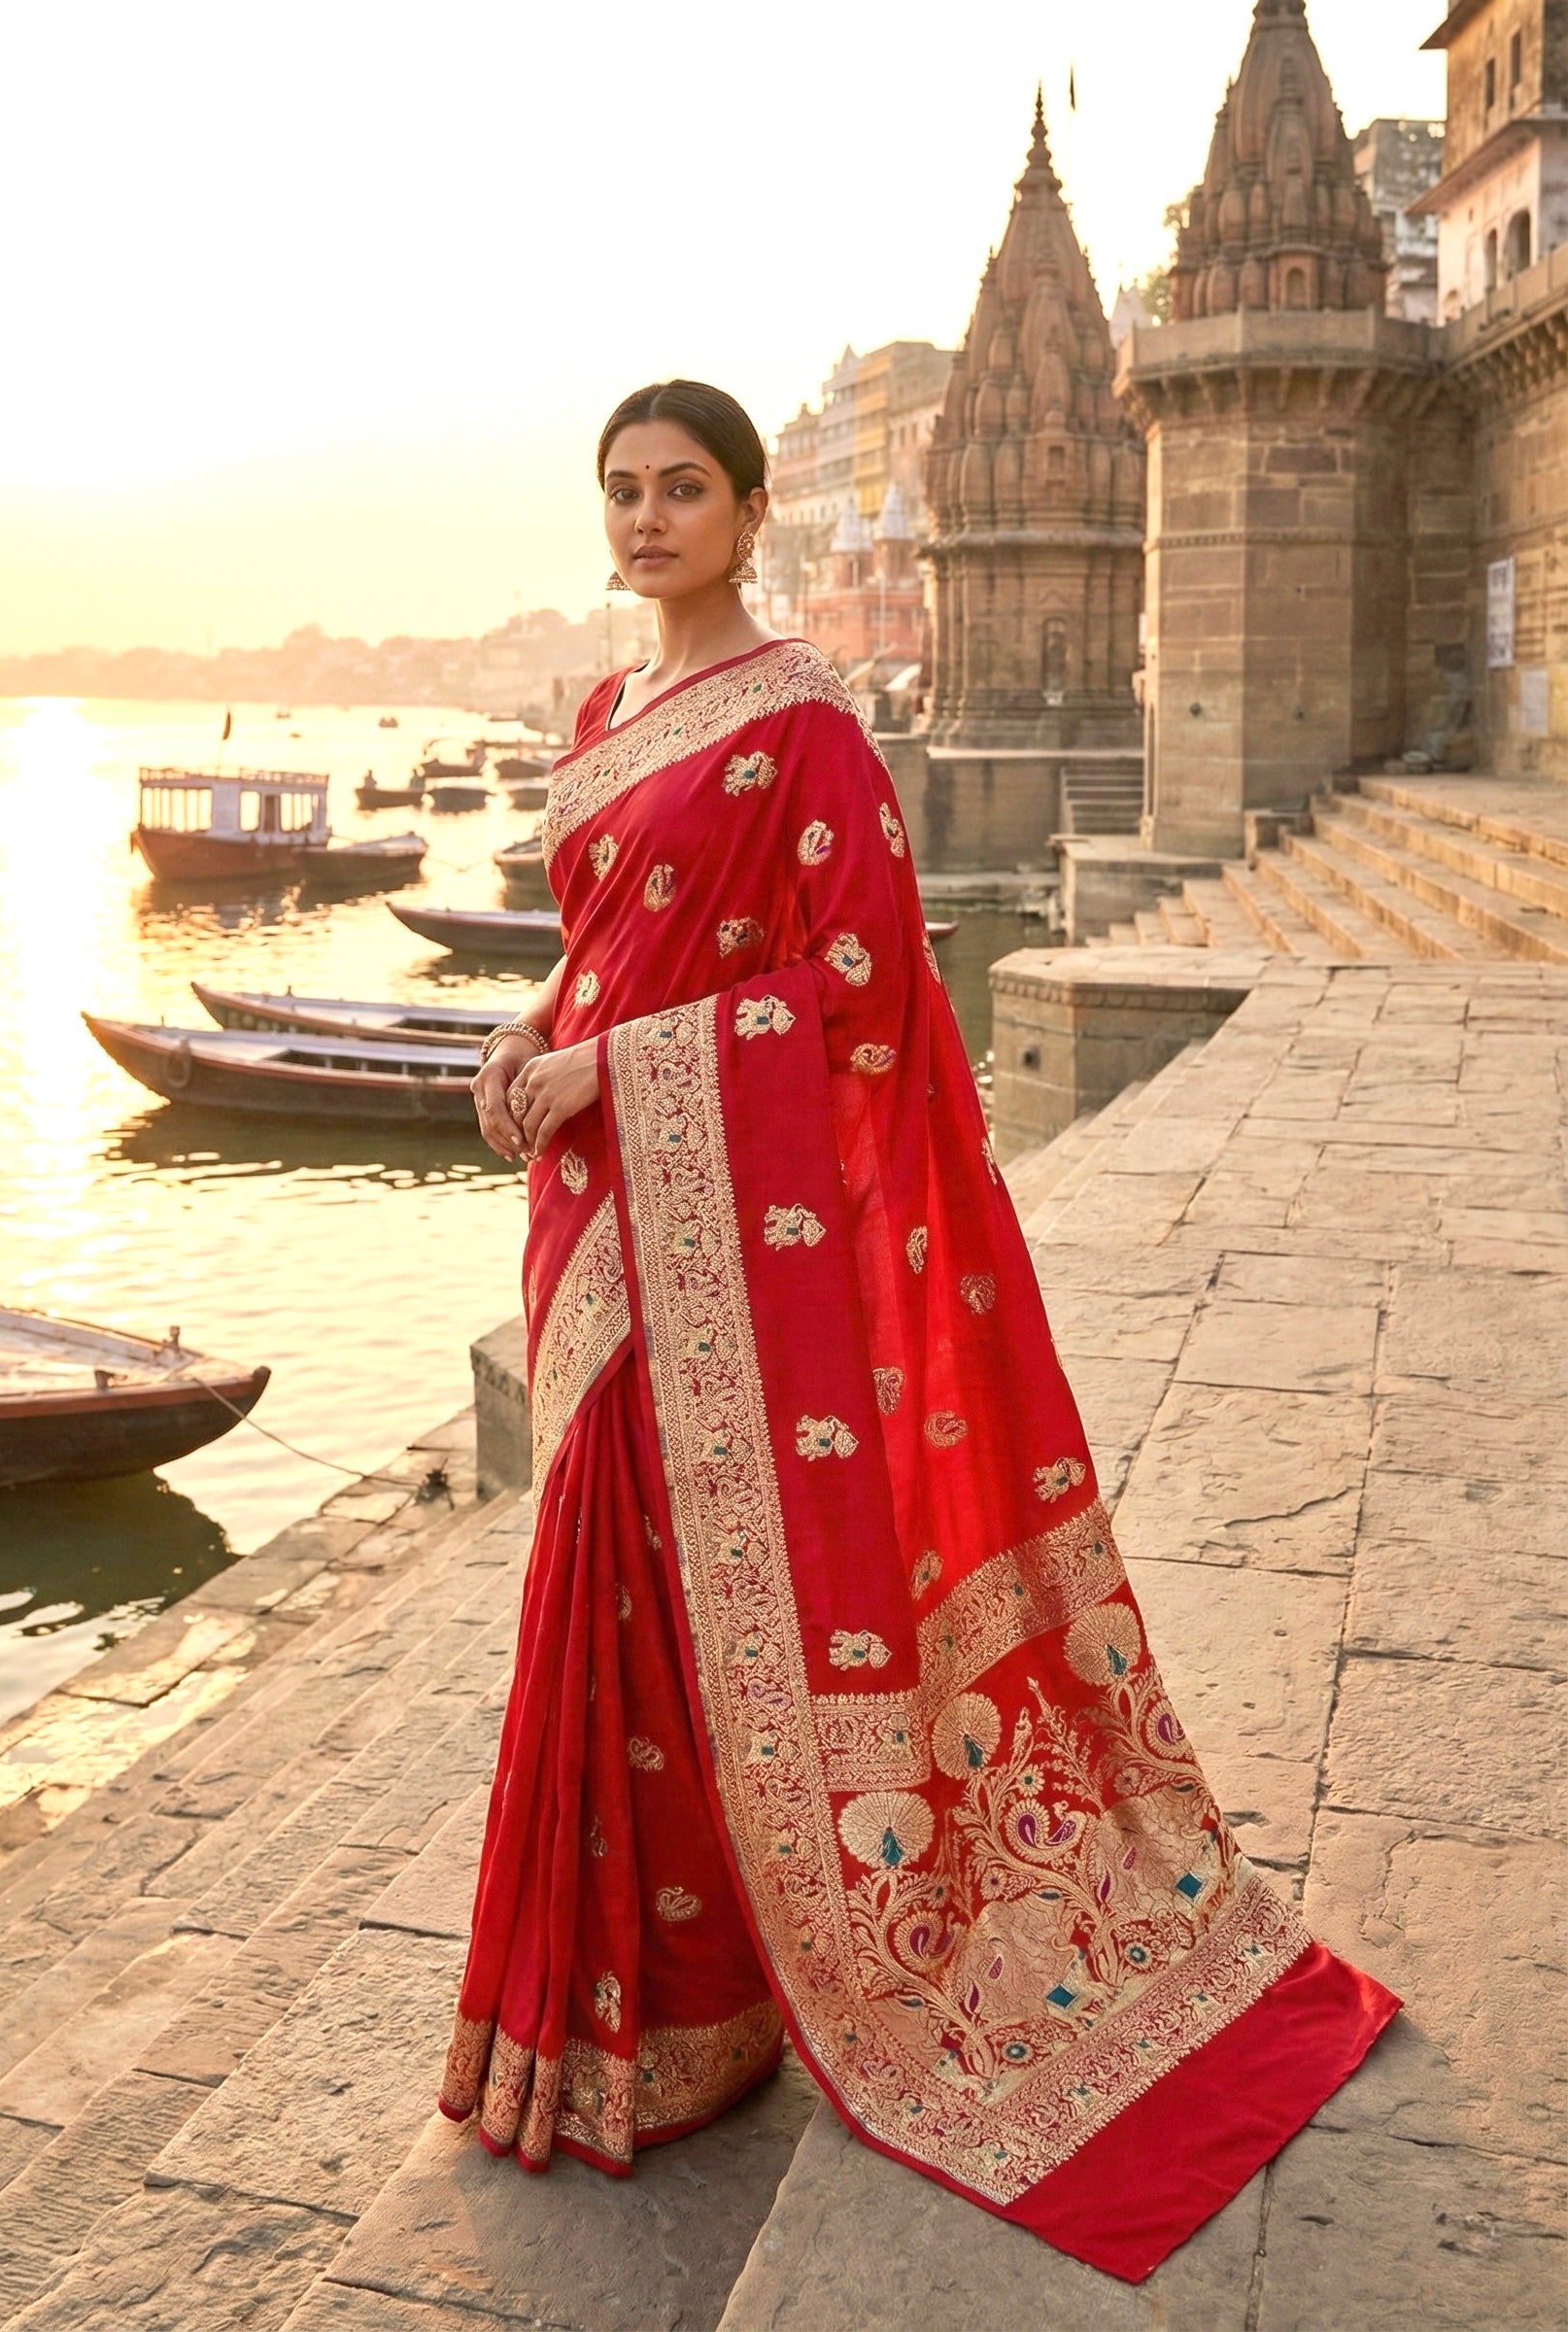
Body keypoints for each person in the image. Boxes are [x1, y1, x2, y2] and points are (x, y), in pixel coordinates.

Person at [440, 380, 1397, 2283]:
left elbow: (861, 1006)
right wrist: (531, 1038)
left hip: (706, 1225)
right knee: (604, 1594)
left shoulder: (797, 727)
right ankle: (614, 2014)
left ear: (745, 507)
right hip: (601, 1229)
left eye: (679, 490)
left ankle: (698, 2005)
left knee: (691, 1604)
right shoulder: (601, 721)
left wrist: (615, 1066)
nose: (643, 520)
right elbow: (601, 948)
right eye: (619, 491)